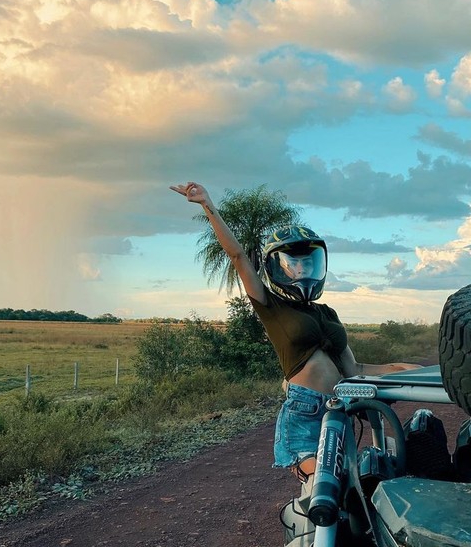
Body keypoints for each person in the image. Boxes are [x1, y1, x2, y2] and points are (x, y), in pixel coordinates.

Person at [170, 181, 420, 485]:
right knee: (328, 487)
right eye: (293, 264)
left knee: (359, 491)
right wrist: (207, 205)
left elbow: (355, 370)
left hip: (342, 406)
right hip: (306, 412)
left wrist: (406, 370)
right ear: (278, 268)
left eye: (307, 262)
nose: (301, 269)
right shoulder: (270, 305)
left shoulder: (327, 313)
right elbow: (236, 256)